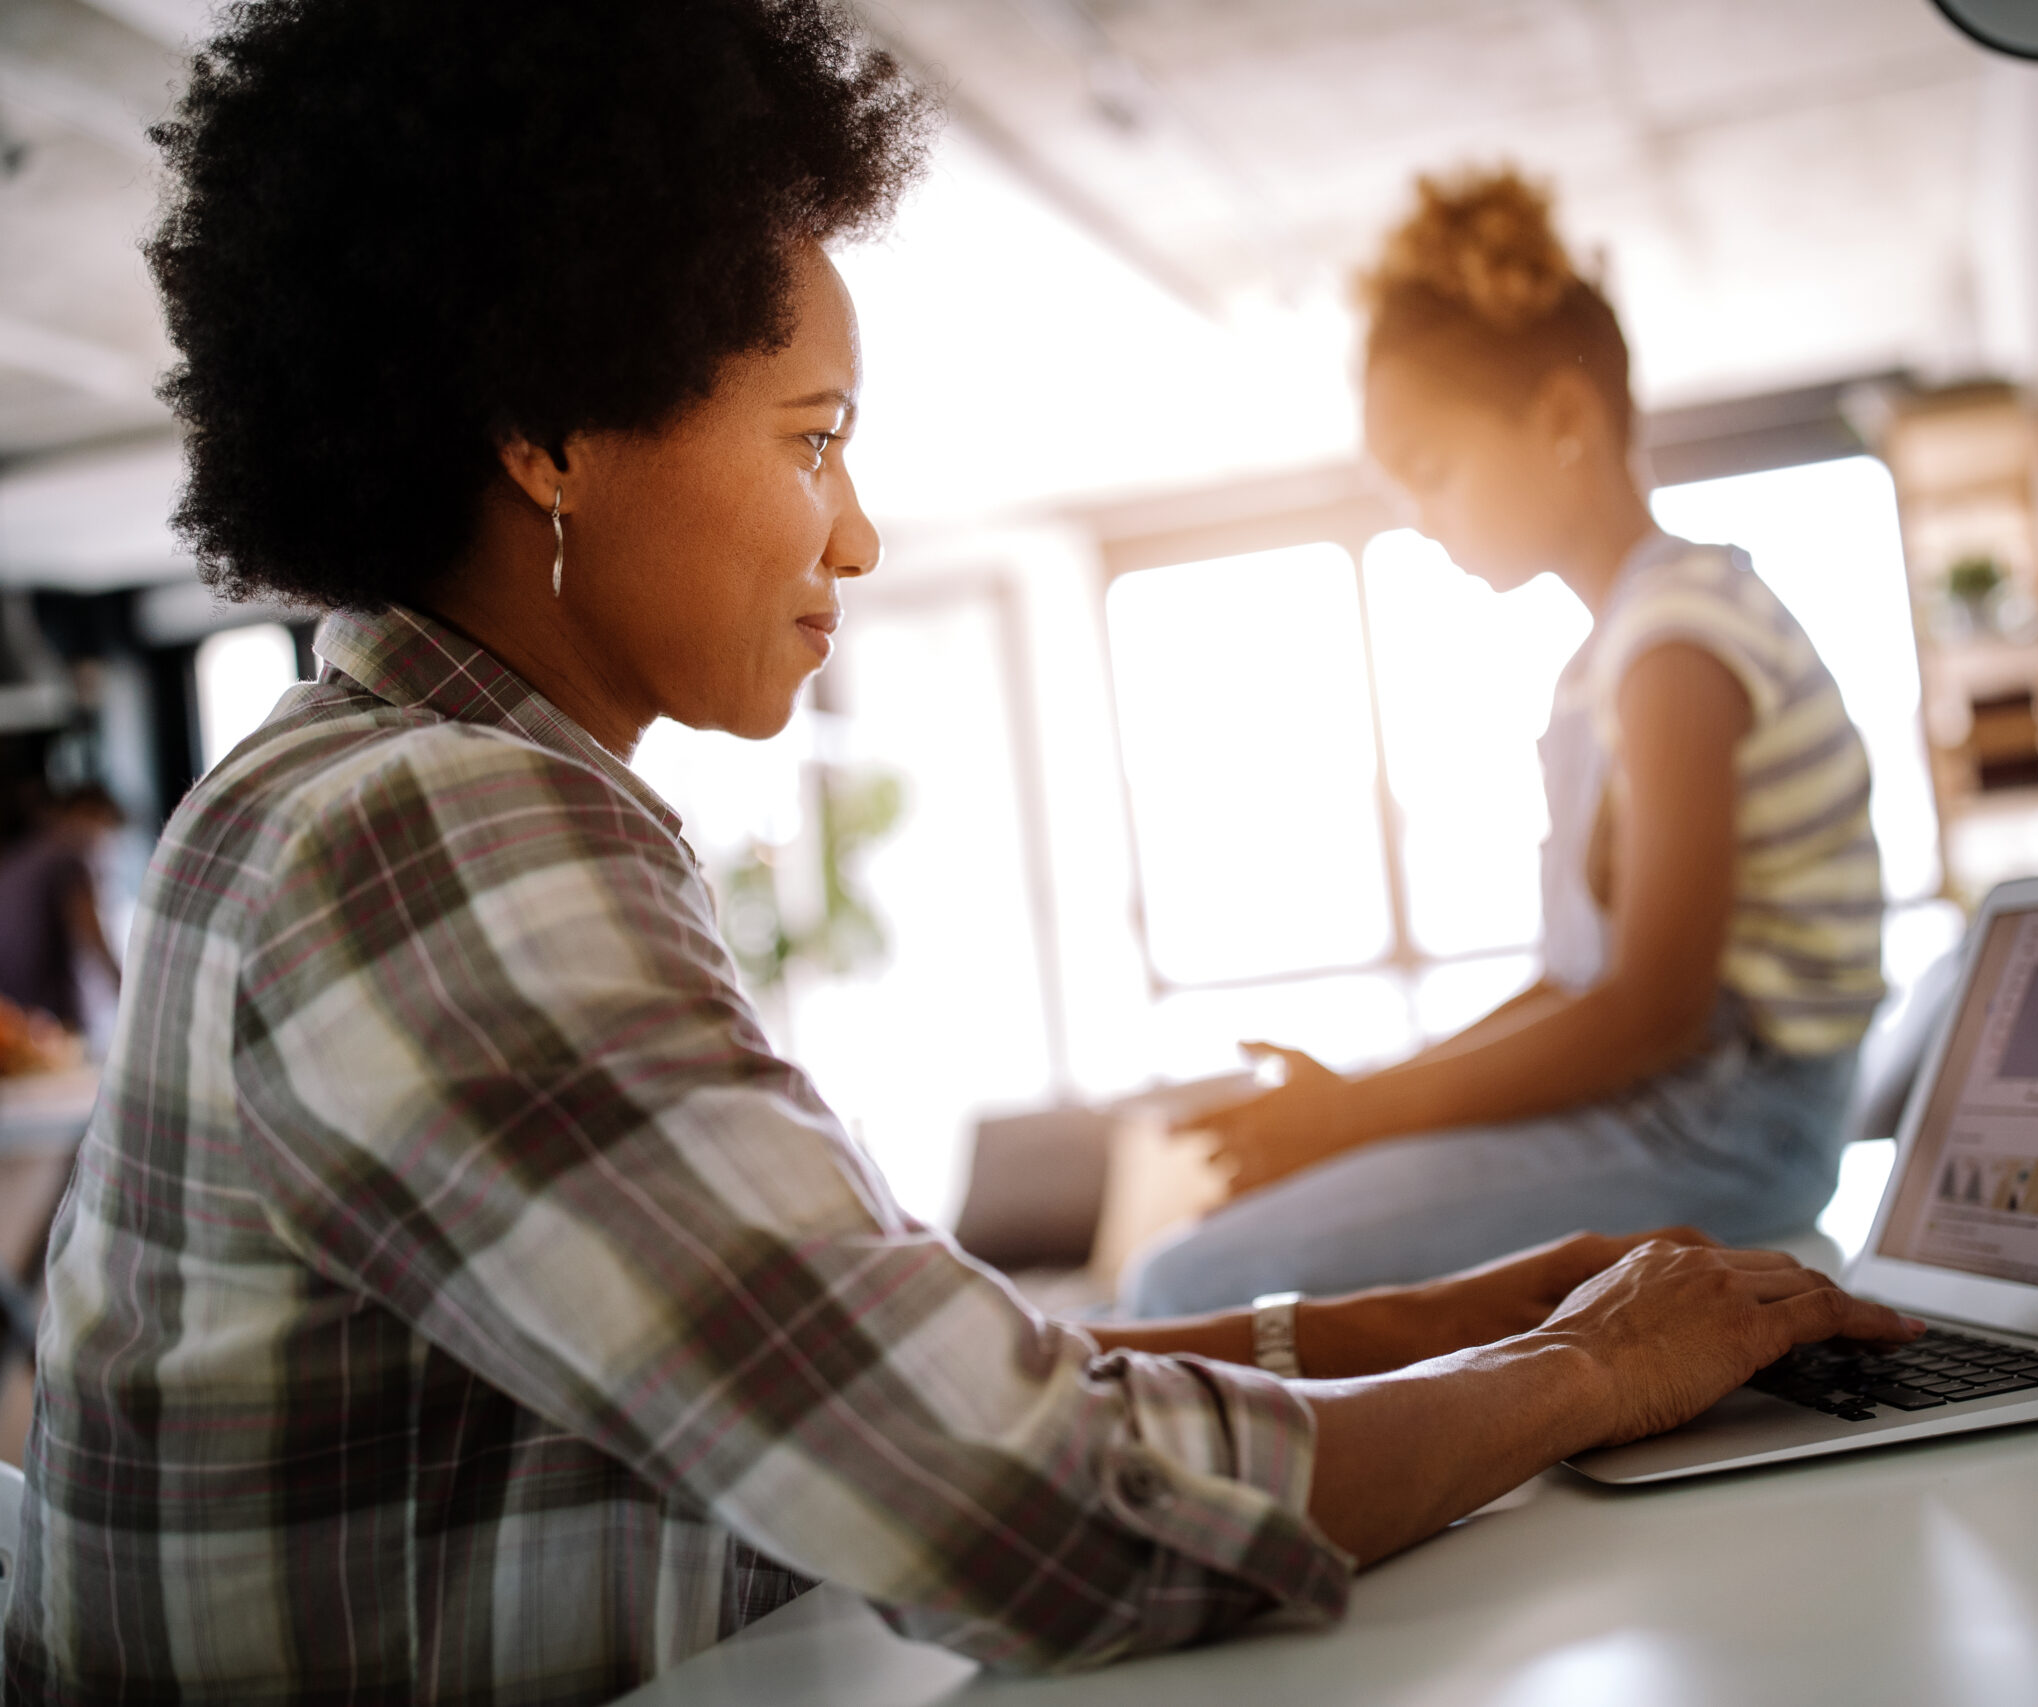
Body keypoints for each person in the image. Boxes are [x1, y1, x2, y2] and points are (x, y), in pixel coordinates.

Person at [3, 8, 1917, 1700]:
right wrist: (1594, 1377)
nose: (858, 536)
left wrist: (1456, 1313)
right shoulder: (430, 833)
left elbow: (886, 1371)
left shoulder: (362, 786)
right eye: (814, 438)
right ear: (552, 437)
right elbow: (1017, 1501)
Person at [1123, 169, 1887, 1318]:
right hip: (1667, 1109)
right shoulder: (1612, 659)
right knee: (1199, 1265)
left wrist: (1362, 1117)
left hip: (1729, 1136)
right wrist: (1363, 1100)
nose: (1418, 518)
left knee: (1190, 1282)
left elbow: (1651, 1014)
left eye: (1430, 471)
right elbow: (1574, 987)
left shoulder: (1678, 643)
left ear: (1564, 421)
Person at [0, 782, 124, 1045]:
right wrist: (130, 995)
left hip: (15, 1016)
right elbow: (92, 934)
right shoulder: (71, 853)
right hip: (53, 1020)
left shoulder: (24, 854)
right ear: (89, 813)